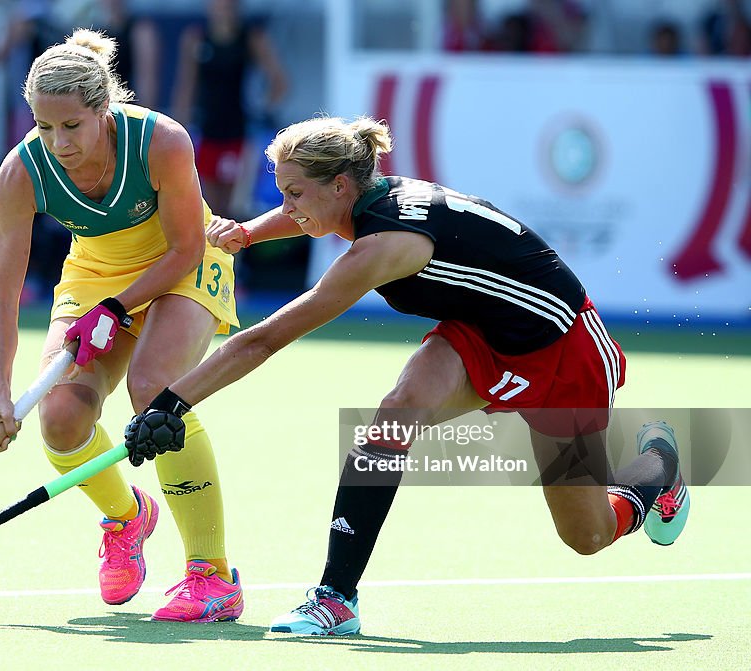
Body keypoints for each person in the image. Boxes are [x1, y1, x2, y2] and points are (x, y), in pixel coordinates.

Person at [123, 116, 690, 635]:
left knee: (586, 536)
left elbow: (266, 338)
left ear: (341, 184)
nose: (287, 204)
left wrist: (172, 401)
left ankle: (657, 472)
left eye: (294, 192)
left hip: (561, 347)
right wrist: (249, 233)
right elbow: (310, 216)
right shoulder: (365, 197)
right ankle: (335, 598)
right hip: (477, 333)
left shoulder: (383, 246)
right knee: (391, 421)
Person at [0, 28, 244, 622]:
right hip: (96, 273)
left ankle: (211, 575)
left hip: (183, 266)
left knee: (154, 394)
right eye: (44, 127)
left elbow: (185, 247)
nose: (58, 142)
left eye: (71, 126)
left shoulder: (160, 141)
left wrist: (117, 310)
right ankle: (127, 518)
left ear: (104, 111)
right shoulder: (22, 172)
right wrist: (0, 394)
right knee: (61, 420)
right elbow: (3, 293)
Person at [171, 0, 287, 219]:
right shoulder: (196, 38)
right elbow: (186, 86)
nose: (222, 8)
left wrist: (260, 110)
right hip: (207, 131)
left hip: (238, 133)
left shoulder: (250, 38)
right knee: (208, 208)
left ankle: (236, 251)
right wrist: (178, 128)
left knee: (235, 208)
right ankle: (213, 252)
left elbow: (280, 82)